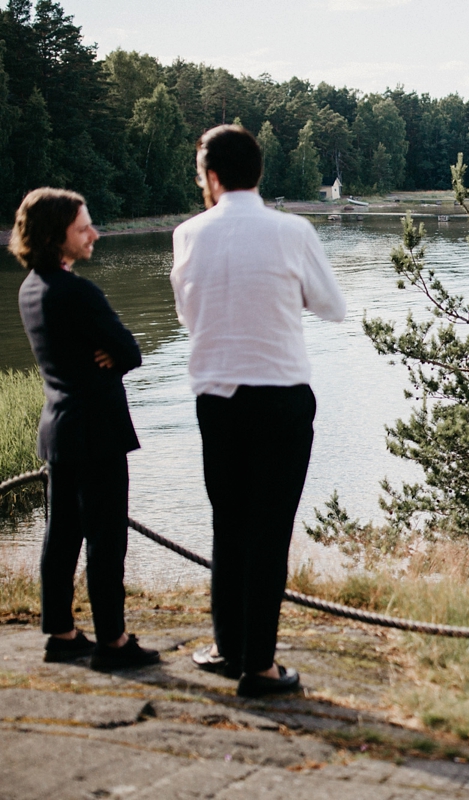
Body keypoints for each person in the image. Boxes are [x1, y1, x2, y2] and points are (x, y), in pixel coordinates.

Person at [172, 125, 346, 698]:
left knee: (229, 524)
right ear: (260, 173)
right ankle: (260, 667)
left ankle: (227, 647)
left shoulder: (187, 234)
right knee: (269, 531)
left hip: (215, 398)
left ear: (211, 177)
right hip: (279, 397)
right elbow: (332, 307)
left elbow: (185, 315)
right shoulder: (292, 231)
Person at [12, 188, 160, 671]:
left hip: (58, 426)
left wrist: (107, 355)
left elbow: (102, 351)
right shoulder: (77, 291)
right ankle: (113, 643)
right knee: (105, 539)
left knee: (61, 536)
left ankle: (61, 633)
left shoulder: (31, 288)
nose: (94, 233)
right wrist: (113, 356)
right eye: (83, 228)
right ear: (58, 237)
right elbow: (131, 352)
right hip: (96, 430)